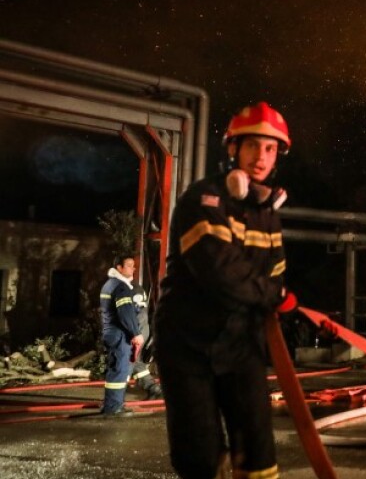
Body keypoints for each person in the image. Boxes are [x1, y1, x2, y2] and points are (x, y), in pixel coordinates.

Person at [155, 102, 293, 479]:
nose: (261, 157)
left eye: (270, 148)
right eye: (253, 146)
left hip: (241, 344)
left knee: (258, 451)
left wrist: (277, 298)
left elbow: (275, 273)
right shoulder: (204, 199)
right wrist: (278, 297)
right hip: (189, 346)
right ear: (234, 148)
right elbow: (220, 272)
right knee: (200, 455)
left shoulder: (267, 212)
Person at [99, 254, 145, 416]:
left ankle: (110, 404)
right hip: (120, 334)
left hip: (110, 332)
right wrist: (136, 333)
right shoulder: (121, 287)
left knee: (114, 369)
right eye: (129, 265)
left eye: (133, 265)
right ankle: (114, 407)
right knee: (120, 370)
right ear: (119, 267)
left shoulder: (108, 285)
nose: (133, 268)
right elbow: (126, 313)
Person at [130, 281, 164, 400]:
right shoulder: (136, 287)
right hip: (142, 329)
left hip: (135, 331)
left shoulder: (124, 288)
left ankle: (114, 398)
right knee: (135, 362)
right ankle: (153, 388)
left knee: (126, 363)